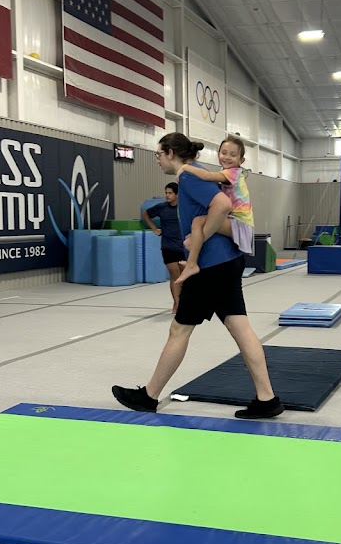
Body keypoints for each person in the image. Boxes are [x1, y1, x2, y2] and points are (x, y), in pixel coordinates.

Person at [112, 133, 283, 419]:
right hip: (226, 261)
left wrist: (199, 237)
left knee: (179, 330)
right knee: (240, 328)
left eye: (158, 154)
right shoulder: (198, 174)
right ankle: (267, 398)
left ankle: (149, 395)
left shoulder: (189, 176)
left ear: (170, 153)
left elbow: (222, 205)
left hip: (210, 266)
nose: (157, 160)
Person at [174, 136, 254, 285]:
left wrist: (185, 168)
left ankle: (192, 262)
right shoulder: (228, 173)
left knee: (198, 221)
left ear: (241, 160)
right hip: (237, 221)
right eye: (224, 153)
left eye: (233, 155)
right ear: (218, 154)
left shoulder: (232, 173)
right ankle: (192, 260)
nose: (227, 157)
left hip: (240, 223)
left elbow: (207, 176)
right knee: (200, 221)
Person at [142, 182, 184, 312]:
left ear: (177, 194)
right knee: (174, 274)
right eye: (166, 193)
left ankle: (184, 301)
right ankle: (177, 303)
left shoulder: (184, 208)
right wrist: (154, 228)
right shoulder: (162, 207)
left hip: (183, 246)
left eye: (170, 193)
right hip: (168, 245)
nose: (167, 195)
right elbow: (145, 214)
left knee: (183, 276)